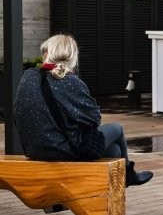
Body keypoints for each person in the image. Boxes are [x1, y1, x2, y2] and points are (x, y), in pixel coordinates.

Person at [13, 34, 152, 186]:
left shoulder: (28, 77)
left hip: (34, 150)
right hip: (62, 150)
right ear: (72, 56)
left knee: (114, 151)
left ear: (47, 53)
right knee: (116, 129)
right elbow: (94, 118)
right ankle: (129, 176)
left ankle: (105, 186)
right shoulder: (70, 81)